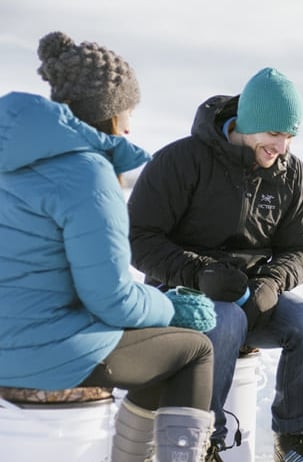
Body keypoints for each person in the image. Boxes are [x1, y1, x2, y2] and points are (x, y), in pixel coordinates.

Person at [0, 31, 216, 462]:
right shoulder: (87, 173)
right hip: (48, 355)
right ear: (109, 112)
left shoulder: (12, 162)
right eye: (128, 108)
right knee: (193, 349)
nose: (131, 122)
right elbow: (111, 299)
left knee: (151, 344)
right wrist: (170, 306)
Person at [127, 66, 303, 462]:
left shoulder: (292, 175)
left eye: (289, 137)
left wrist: (271, 283)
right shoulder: (181, 161)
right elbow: (139, 238)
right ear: (248, 123)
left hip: (252, 292)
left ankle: (294, 437)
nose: (282, 148)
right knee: (224, 321)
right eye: (274, 135)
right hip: (182, 291)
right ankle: (206, 440)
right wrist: (199, 273)